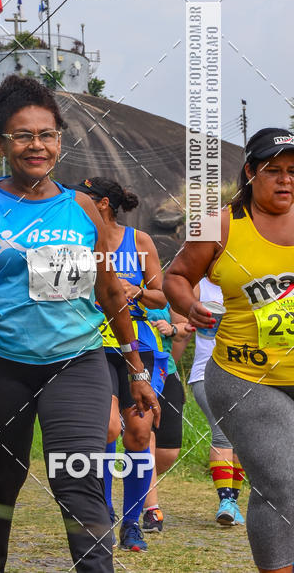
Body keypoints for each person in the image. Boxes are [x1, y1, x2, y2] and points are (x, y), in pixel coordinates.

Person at [0, 75, 160, 573]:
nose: (36, 145)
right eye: (22, 135)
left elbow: (108, 292)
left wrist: (136, 368)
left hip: (76, 360)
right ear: (1, 143)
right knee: (1, 477)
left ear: (60, 140)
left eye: (47, 134)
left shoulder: (83, 207)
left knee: (78, 475)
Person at [164, 128, 294, 573]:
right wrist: (188, 303)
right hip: (245, 376)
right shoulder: (219, 223)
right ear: (250, 172)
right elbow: (176, 276)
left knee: (280, 486)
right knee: (280, 482)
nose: (285, 180)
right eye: (273, 170)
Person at [74, 177, 168, 552]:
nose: (75, 205)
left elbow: (162, 296)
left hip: (139, 346)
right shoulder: (76, 242)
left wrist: (137, 291)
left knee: (139, 435)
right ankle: (105, 512)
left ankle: (132, 524)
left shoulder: (139, 241)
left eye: (84, 200)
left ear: (103, 205)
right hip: (93, 346)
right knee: (109, 430)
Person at [186, 278, 245, 525]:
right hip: (205, 373)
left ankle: (233, 502)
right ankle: (226, 501)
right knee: (221, 433)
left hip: (242, 372)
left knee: (241, 437)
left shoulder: (244, 282)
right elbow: (178, 317)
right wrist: (180, 326)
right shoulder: (200, 285)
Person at [142, 303, 193, 532]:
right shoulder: (119, 284)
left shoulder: (163, 293)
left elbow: (186, 327)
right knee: (146, 437)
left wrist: (172, 329)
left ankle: (138, 480)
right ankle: (152, 511)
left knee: (168, 450)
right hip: (134, 370)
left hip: (166, 371)